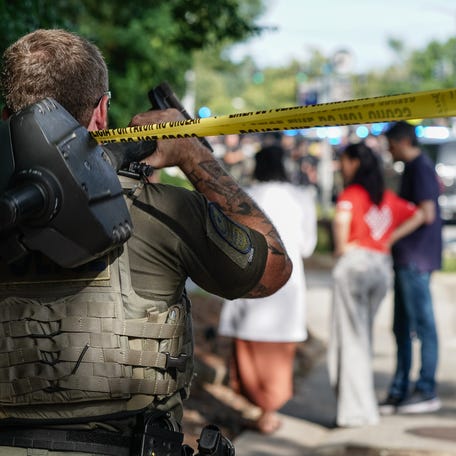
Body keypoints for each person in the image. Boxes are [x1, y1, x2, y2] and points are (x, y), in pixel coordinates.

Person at [0, 29, 292, 455]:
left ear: (8, 116)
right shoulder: (165, 212)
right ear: (101, 113)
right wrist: (194, 156)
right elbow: (272, 270)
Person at [218, 144, 317, 434]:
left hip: (252, 276)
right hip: (288, 278)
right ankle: (269, 411)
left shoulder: (248, 196)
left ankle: (261, 411)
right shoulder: (302, 197)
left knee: (249, 347)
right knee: (279, 348)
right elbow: (308, 245)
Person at [327, 142, 425, 428]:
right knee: (363, 338)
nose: (340, 166)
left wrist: (342, 247)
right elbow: (421, 214)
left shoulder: (350, 194)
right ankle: (364, 409)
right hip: (380, 268)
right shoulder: (387, 197)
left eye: (343, 161)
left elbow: (341, 224)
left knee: (349, 339)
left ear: (354, 162)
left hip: (354, 266)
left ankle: (353, 413)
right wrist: (387, 241)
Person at [379, 121, 442, 415]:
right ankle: (400, 389)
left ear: (402, 141)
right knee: (401, 327)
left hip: (415, 258)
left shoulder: (420, 168)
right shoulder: (414, 168)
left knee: (422, 325)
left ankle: (425, 390)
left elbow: (425, 214)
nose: (388, 149)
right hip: (408, 258)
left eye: (390, 143)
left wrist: (391, 237)